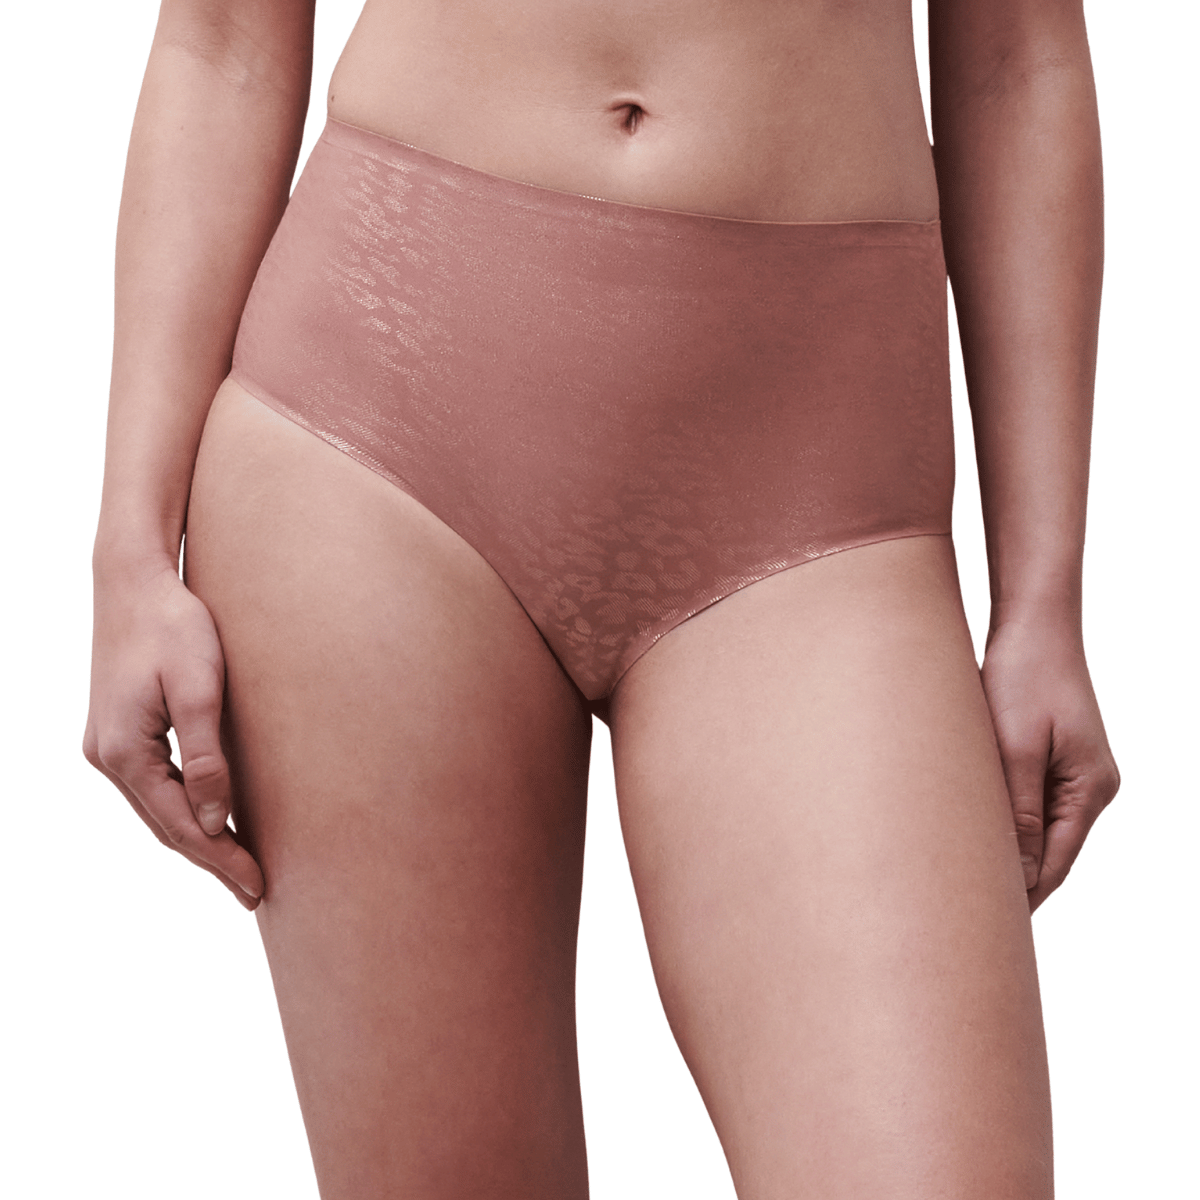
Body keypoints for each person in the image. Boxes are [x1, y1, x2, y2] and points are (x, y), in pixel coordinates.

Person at [83, 0, 1120, 1194]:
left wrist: (1041, 601)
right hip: (378, 440)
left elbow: (1016, 66)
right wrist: (130, 553)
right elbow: (221, 44)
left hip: (815, 489)